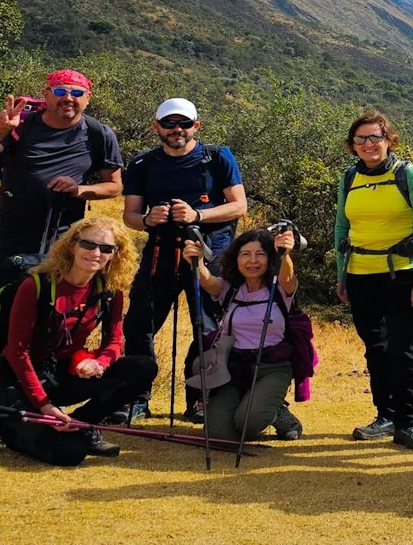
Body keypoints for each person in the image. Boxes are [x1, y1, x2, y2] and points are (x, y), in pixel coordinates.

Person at [0, 218, 156, 465]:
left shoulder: (110, 290)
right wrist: (45, 406)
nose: (96, 253)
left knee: (144, 367)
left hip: (61, 374)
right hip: (20, 378)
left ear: (115, 254)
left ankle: (81, 424)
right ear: (72, 245)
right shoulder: (35, 285)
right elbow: (17, 352)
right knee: (70, 454)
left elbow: (114, 343)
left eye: (106, 248)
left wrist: (99, 363)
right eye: (88, 244)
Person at [120, 97, 246, 421]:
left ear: (196, 126)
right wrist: (147, 219)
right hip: (160, 251)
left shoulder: (217, 157)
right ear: (157, 127)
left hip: (210, 253)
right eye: (169, 123)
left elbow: (238, 206)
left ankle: (201, 399)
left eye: (184, 123)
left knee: (209, 327)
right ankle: (136, 399)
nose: (177, 129)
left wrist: (197, 215)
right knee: (140, 324)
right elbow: (130, 215)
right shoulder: (142, 163)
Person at [0, 69, 124, 295]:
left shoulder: (99, 134)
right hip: (15, 229)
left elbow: (114, 186)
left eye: (77, 93)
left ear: (88, 98)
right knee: (8, 295)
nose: (68, 98)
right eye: (60, 92)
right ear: (46, 95)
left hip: (67, 234)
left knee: (55, 297)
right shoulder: (21, 126)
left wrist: (79, 190)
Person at [332, 109, 413, 449]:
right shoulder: (349, 177)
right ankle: (386, 416)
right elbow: (341, 228)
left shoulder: (409, 174)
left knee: (403, 346)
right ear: (352, 145)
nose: (368, 144)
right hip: (359, 274)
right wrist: (341, 276)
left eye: (375, 137)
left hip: (402, 273)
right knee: (375, 348)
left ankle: (409, 423)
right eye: (360, 139)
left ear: (389, 140)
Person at [195, 228, 301, 444]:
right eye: (245, 254)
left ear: (270, 258)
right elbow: (208, 282)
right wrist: (197, 261)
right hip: (233, 368)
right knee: (219, 436)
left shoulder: (280, 288)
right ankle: (254, 402)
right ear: (236, 259)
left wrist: (284, 253)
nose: (252, 261)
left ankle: (275, 411)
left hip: (271, 367)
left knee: (249, 424)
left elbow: (288, 276)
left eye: (260, 254)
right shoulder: (230, 289)